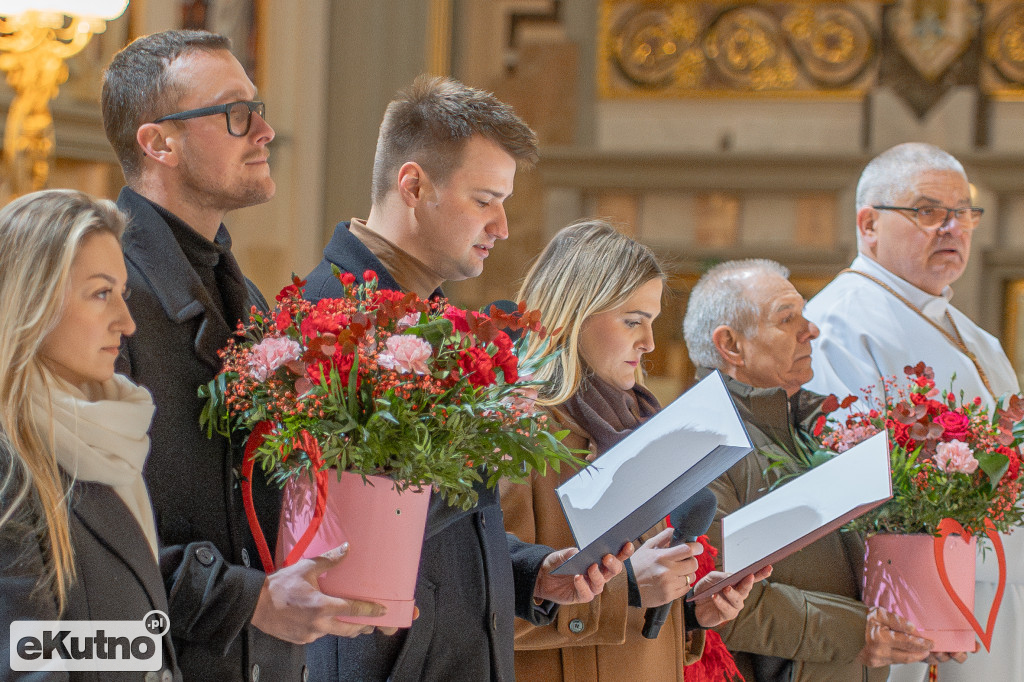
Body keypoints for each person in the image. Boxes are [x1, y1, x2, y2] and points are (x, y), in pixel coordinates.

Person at [302, 77, 630, 682]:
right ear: (413, 185)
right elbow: (344, 535)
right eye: (485, 200)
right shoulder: (329, 319)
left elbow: (435, 529)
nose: (502, 226)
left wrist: (532, 572)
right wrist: (487, 427)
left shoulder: (436, 320)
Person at [102, 30, 382, 682]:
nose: (264, 130)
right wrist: (249, 598)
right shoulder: (103, 297)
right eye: (235, 113)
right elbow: (76, 531)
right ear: (158, 142)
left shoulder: (245, 294)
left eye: (256, 107)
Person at [500, 220, 766, 681]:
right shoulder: (516, 430)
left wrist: (690, 606)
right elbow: (483, 606)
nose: (649, 344)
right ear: (573, 314)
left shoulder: (642, 424)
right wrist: (629, 591)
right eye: (633, 321)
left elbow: (637, 611)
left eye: (652, 323)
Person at [804, 143, 1014, 681]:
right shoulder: (839, 323)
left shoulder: (975, 335)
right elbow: (851, 478)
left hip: (990, 591)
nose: (953, 227)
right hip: (918, 608)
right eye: (927, 212)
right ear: (869, 224)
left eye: (963, 212)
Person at [682, 258, 937, 681]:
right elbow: (721, 603)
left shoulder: (824, 426)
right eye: (787, 319)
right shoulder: (702, 442)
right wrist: (859, 632)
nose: (811, 330)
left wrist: (917, 630)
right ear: (731, 345)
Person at [0, 190, 178, 680]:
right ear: (32, 299)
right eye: (102, 293)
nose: (127, 322)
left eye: (122, 292)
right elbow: (28, 662)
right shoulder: (8, 464)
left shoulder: (104, 434)